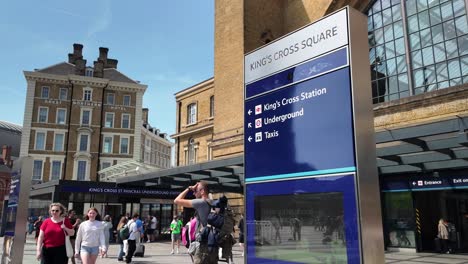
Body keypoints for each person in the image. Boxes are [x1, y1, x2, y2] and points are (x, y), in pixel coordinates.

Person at [174, 181, 217, 264]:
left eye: (195, 191)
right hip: (213, 245)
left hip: (203, 246)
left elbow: (176, 201)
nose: (193, 193)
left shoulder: (201, 203)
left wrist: (189, 188)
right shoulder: (212, 202)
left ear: (202, 191)